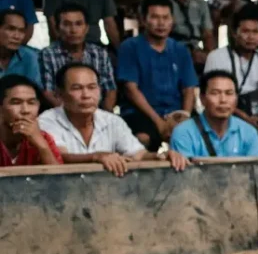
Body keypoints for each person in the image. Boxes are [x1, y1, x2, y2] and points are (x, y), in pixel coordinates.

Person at [39, 63, 184, 175]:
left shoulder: (112, 121)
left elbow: (138, 154)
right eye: (77, 88)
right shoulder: (47, 120)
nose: (86, 95)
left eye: (92, 87)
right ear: (59, 93)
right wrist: (97, 157)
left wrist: (162, 156)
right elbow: (60, 157)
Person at [117, 0, 199, 151]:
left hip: (176, 113)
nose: (161, 23)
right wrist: (159, 123)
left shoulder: (180, 50)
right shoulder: (130, 47)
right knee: (142, 139)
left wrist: (184, 118)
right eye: (154, 17)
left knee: (200, 135)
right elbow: (130, 89)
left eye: (165, 17)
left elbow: (188, 89)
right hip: (142, 113)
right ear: (143, 20)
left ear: (172, 20)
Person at [204, 10, 258, 131]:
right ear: (234, 33)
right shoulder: (216, 57)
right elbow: (213, 98)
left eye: (255, 32)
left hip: (256, 115)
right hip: (226, 114)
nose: (251, 37)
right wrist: (246, 120)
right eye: (245, 31)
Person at [39, 3, 116, 110]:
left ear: (87, 28)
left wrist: (106, 115)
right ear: (57, 28)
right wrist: (72, 114)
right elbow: (48, 93)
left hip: (97, 113)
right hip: (61, 113)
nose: (73, 30)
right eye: (66, 24)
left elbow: (110, 88)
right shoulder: (47, 54)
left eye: (79, 24)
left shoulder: (100, 53)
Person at [170, 70, 258, 158]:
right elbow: (186, 173)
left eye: (229, 93)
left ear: (236, 99)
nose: (223, 100)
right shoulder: (184, 132)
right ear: (202, 99)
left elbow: (256, 172)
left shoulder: (249, 132)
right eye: (215, 93)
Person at [0, 74, 61, 166]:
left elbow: (60, 179)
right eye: (16, 102)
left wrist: (42, 147)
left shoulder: (44, 139)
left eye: (31, 103)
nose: (25, 110)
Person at [0, 9, 39, 86]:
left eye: (21, 31)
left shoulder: (29, 57)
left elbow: (34, 90)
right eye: (11, 29)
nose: (17, 36)